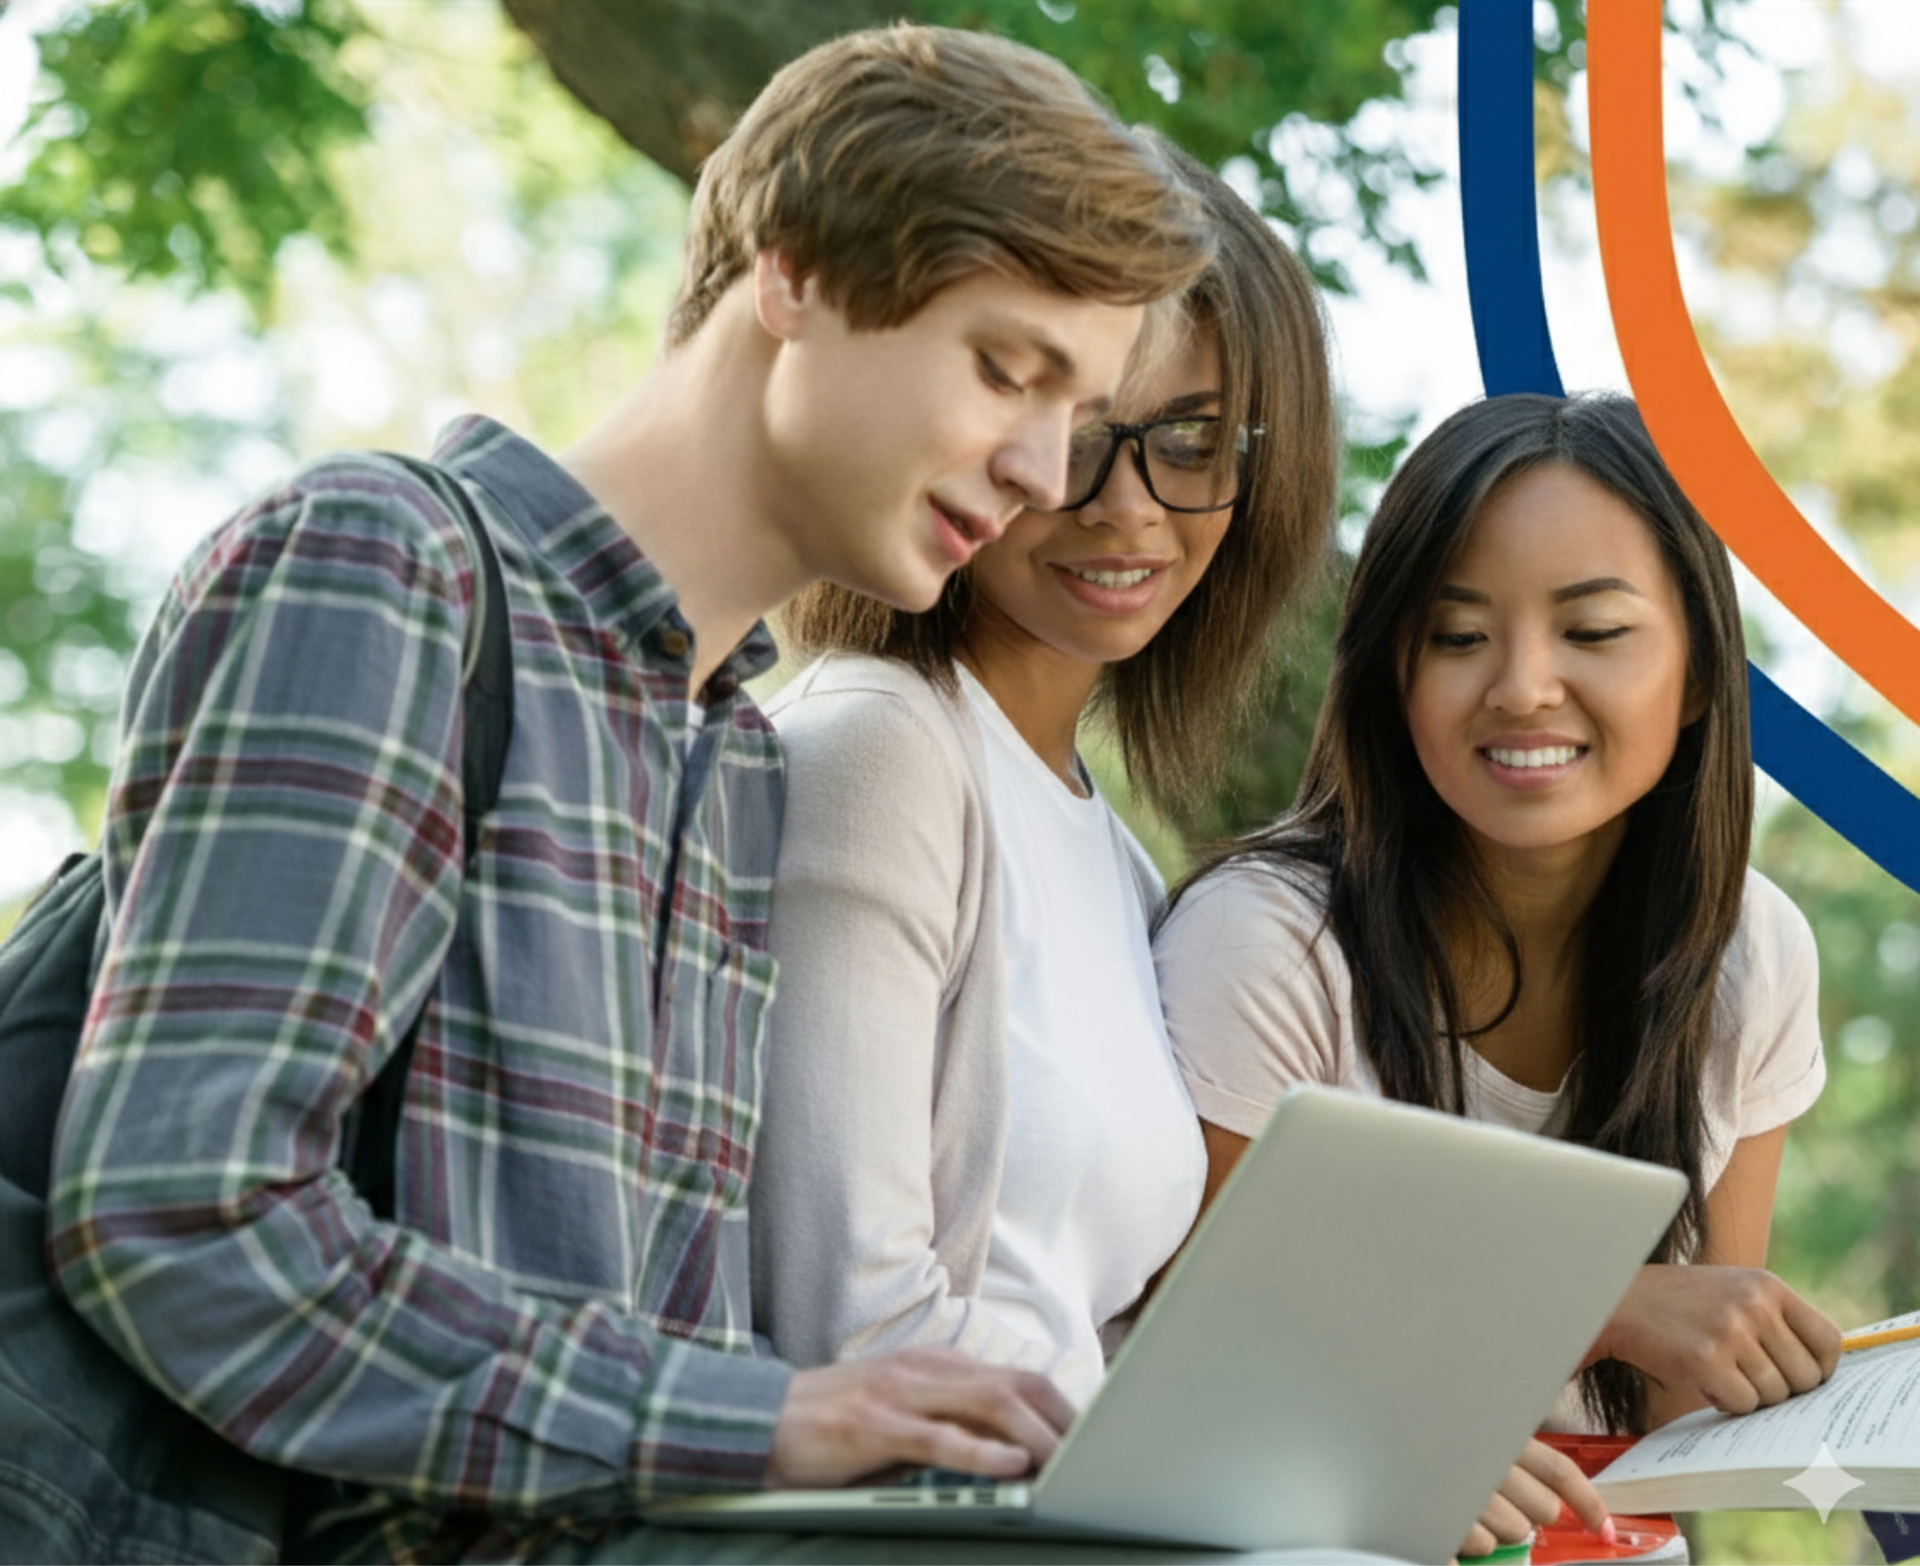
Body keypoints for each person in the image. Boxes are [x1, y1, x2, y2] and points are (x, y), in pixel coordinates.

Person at [43, 25, 1214, 1562]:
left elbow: (653, 1379)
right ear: (793, 272)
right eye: (1008, 370)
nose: (1049, 475)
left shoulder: (734, 768)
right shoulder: (389, 568)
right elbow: (184, 1216)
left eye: (1081, 409)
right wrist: (758, 1418)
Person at [750, 155, 1600, 1561]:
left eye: (1194, 441)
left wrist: (1384, 1425)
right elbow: (849, 1334)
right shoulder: (877, 751)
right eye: (1083, 428)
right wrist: (1306, 1455)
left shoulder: (1114, 858)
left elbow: (1111, 1335)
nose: (1128, 506)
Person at [1156, 393, 1842, 1462]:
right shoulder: (1264, 947)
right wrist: (1603, 1303)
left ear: (1702, 671)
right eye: (1460, 637)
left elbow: (1692, 1418)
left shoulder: (1750, 954)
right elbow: (1200, 1354)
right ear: (1394, 674)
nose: (1522, 688)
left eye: (1594, 631)